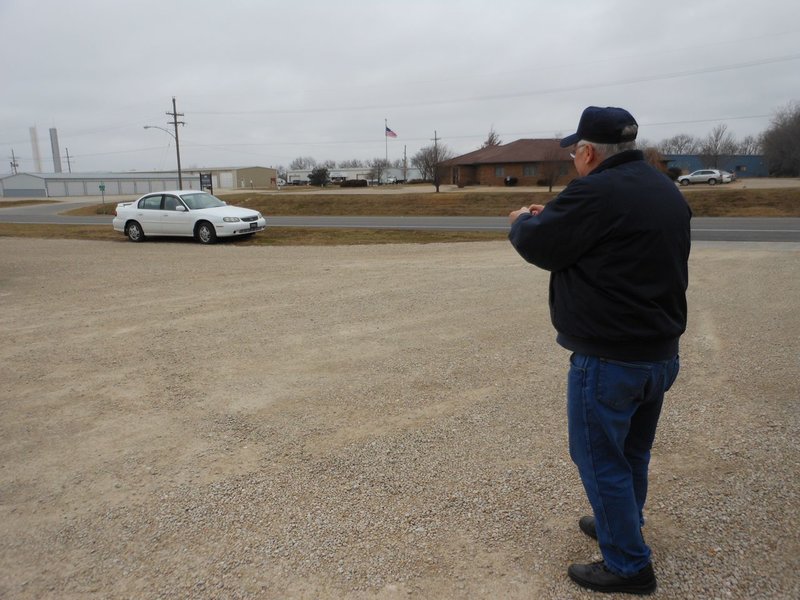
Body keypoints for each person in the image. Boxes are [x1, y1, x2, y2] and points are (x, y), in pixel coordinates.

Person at [508, 106, 691, 595]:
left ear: (588, 152)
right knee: (632, 451)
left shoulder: (593, 191)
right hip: (659, 353)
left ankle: (629, 565)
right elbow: (607, 237)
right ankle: (623, 521)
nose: (574, 159)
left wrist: (520, 222)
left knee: (598, 458)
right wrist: (560, 219)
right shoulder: (662, 188)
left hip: (610, 358)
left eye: (575, 151)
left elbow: (542, 246)